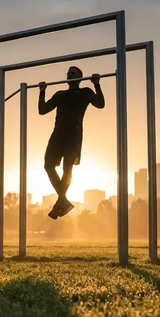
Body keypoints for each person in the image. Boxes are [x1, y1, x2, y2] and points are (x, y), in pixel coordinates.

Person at [38, 65, 105, 219]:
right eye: (68, 73)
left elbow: (100, 104)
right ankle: (63, 201)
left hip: (73, 136)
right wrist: (42, 92)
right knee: (48, 165)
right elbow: (43, 110)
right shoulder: (60, 94)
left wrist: (96, 84)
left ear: (80, 77)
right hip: (58, 135)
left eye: (73, 73)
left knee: (67, 168)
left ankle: (60, 203)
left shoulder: (85, 92)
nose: (69, 75)